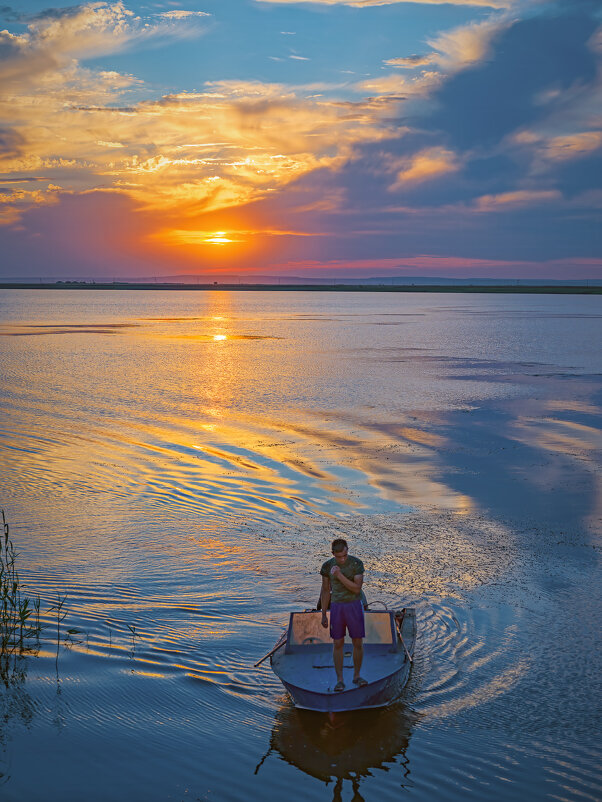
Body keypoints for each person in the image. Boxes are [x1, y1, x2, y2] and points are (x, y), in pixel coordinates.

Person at [320, 538, 367, 692]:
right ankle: (340, 680)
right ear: (333, 553)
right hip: (337, 607)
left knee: (357, 642)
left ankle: (357, 675)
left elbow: (356, 589)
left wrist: (339, 575)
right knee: (337, 643)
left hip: (354, 605)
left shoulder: (356, 564)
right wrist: (323, 614)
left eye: (344, 555)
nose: (342, 559)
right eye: (339, 556)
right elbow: (325, 590)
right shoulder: (327, 566)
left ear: (347, 551)